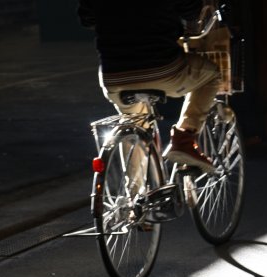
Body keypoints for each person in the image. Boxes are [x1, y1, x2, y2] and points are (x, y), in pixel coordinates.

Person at [78, 0, 221, 172]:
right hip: (163, 70)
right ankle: (184, 138)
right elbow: (191, 12)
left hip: (115, 76)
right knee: (211, 75)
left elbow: (87, 19)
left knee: (134, 125)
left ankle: (135, 192)